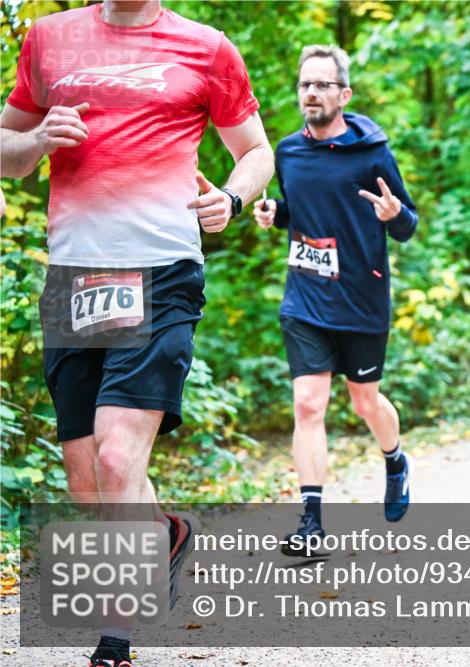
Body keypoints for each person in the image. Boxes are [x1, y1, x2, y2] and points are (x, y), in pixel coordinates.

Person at [0, 1, 273, 664]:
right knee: (87, 481)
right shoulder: (49, 38)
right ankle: (165, 531)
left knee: (118, 458)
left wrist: (230, 198)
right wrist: (37, 142)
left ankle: (115, 642)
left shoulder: (206, 48)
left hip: (163, 272)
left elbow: (256, 151)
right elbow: (6, 154)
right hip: (75, 277)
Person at [253, 44, 418, 556]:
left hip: (362, 299)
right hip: (305, 298)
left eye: (323, 84)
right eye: (305, 84)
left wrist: (393, 215)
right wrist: (276, 214)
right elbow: (300, 209)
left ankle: (395, 459)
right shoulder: (287, 152)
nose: (312, 93)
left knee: (364, 401)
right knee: (308, 404)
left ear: (344, 95)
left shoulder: (372, 153)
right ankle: (311, 523)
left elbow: (407, 224)